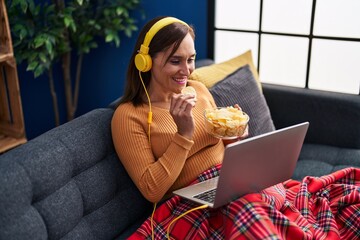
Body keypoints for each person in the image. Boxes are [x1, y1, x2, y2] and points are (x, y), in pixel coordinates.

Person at [111, 16, 360, 240]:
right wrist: (183, 135)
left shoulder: (196, 90)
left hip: (230, 182)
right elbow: (152, 191)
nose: (186, 71)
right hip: (190, 203)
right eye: (175, 61)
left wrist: (235, 140)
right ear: (145, 62)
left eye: (191, 59)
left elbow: (218, 145)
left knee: (346, 197)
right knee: (249, 207)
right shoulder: (129, 116)